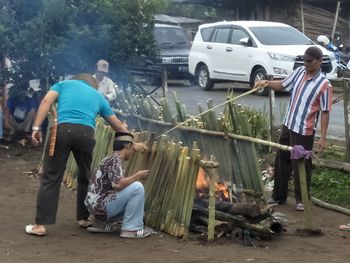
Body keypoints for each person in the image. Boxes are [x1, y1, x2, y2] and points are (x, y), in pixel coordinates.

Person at [25, 73, 146, 236]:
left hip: (62, 131)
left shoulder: (63, 85)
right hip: (86, 135)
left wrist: (36, 128)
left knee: (51, 177)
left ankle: (41, 225)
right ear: (93, 86)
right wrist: (133, 143)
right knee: (85, 175)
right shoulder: (98, 96)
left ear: (76, 80)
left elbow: (46, 101)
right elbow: (117, 125)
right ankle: (83, 219)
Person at [256, 46, 333, 211]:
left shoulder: (325, 85)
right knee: (281, 159)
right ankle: (278, 196)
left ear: (319, 62)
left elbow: (325, 112)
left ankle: (301, 200)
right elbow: (283, 85)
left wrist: (323, 137)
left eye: (309, 61)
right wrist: (267, 83)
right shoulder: (299, 72)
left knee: (301, 164)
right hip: (289, 123)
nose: (306, 63)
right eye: (304, 60)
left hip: (304, 130)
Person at [85, 132, 152, 238]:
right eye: (132, 148)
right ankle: (131, 229)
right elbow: (118, 184)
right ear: (128, 146)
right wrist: (137, 176)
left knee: (135, 203)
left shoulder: (111, 158)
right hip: (100, 206)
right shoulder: (115, 160)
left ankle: (99, 223)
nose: (132, 152)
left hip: (95, 207)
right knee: (137, 188)